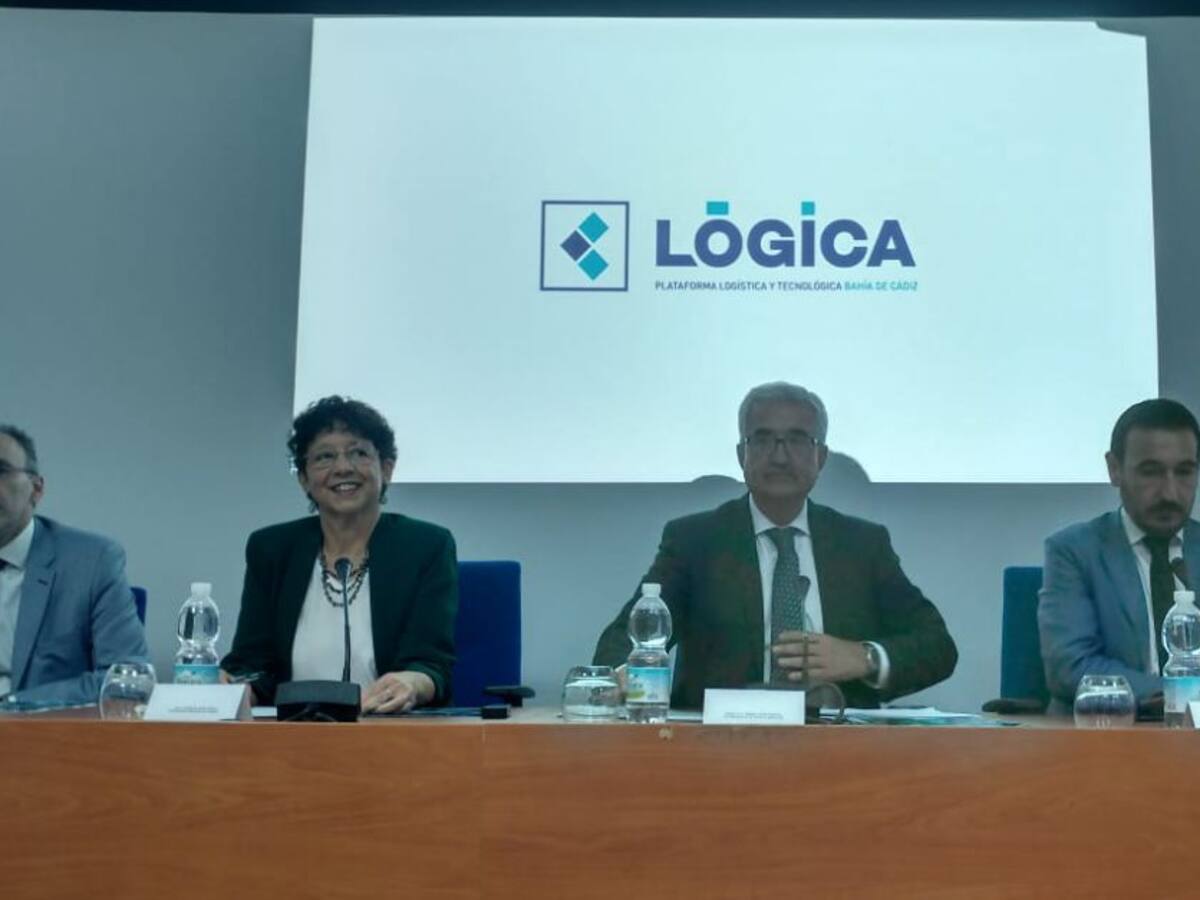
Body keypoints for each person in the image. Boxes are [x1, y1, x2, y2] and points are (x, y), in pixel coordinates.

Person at [592, 382, 957, 708]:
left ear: (821, 457)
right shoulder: (696, 541)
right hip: (722, 745)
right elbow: (626, 637)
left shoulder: (861, 544)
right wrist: (623, 676)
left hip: (841, 741)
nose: (780, 457)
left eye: (796, 440)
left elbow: (937, 646)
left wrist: (863, 658)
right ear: (742, 455)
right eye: (763, 440)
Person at [221, 397, 457, 712]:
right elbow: (252, 662)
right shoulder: (272, 549)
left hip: (388, 726)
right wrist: (238, 686)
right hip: (292, 729)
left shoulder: (425, 546)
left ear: (386, 469)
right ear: (304, 478)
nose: (343, 468)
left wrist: (413, 682)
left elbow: (431, 663)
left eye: (358, 453)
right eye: (325, 457)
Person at [1038, 398, 1200, 706]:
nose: (1170, 492)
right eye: (1151, 472)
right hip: (1112, 728)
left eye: (1184, 472)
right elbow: (1071, 667)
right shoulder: (1074, 551)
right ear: (1115, 469)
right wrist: (1180, 693)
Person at [0, 424, 148, 704]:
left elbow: (128, 679)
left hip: (39, 726)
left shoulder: (92, 562)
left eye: (0, 470)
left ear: (36, 489)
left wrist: (12, 705)